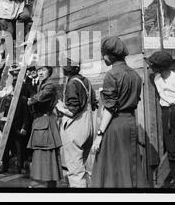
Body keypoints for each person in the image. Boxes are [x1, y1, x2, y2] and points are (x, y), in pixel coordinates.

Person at [90, 36, 146, 188]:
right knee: (129, 164)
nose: (103, 58)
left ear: (110, 56)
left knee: (111, 168)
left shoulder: (112, 74)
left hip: (114, 124)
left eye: (104, 55)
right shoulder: (135, 75)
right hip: (130, 123)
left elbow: (110, 108)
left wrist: (99, 135)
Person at [55, 58, 98, 187]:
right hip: (89, 127)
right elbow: (94, 104)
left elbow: (72, 110)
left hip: (75, 128)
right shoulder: (86, 82)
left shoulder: (72, 83)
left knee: (75, 171)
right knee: (80, 166)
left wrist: (59, 106)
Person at [147, 51, 175, 186]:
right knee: (171, 148)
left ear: (161, 66)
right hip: (166, 114)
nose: (151, 67)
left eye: (153, 65)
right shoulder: (156, 79)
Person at [27, 65, 62, 188]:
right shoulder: (41, 84)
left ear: (49, 72)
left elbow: (39, 98)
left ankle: (50, 188)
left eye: (44, 70)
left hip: (45, 122)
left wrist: (31, 100)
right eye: (39, 70)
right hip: (41, 121)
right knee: (43, 157)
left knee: (49, 157)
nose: (40, 72)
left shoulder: (49, 85)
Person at [0, 64, 30, 174]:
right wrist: (1, 127)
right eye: (12, 88)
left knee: (19, 149)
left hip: (17, 128)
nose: (13, 90)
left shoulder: (22, 100)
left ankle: (19, 167)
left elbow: (26, 116)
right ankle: (5, 167)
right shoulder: (5, 100)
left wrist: (24, 128)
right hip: (7, 127)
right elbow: (1, 114)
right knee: (5, 148)